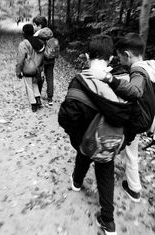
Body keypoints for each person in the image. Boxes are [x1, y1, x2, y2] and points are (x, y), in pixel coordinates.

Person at [58, 35, 132, 235]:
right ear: (110, 59)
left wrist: (78, 137)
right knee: (105, 172)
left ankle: (76, 182)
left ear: (86, 55)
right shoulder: (124, 82)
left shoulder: (78, 82)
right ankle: (108, 222)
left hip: (86, 139)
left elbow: (67, 118)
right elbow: (132, 117)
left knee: (83, 156)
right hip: (111, 140)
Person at [82, 33, 155, 203]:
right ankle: (133, 187)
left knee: (124, 146)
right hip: (149, 119)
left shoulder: (137, 70)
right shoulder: (151, 66)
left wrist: (109, 78)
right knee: (131, 151)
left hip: (137, 121)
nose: (119, 60)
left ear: (127, 55)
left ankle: (133, 188)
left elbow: (135, 92)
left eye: (121, 57)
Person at [16, 24, 45, 112]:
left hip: (28, 69)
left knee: (29, 86)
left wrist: (18, 71)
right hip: (38, 68)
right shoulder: (40, 42)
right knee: (35, 83)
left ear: (23, 32)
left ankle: (33, 104)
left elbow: (20, 60)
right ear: (33, 31)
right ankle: (38, 99)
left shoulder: (23, 44)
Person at [33, 15, 58, 106]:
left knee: (39, 77)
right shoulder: (50, 32)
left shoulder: (37, 35)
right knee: (50, 78)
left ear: (39, 26)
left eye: (35, 25)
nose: (34, 27)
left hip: (42, 59)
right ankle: (50, 99)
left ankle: (37, 97)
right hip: (51, 58)